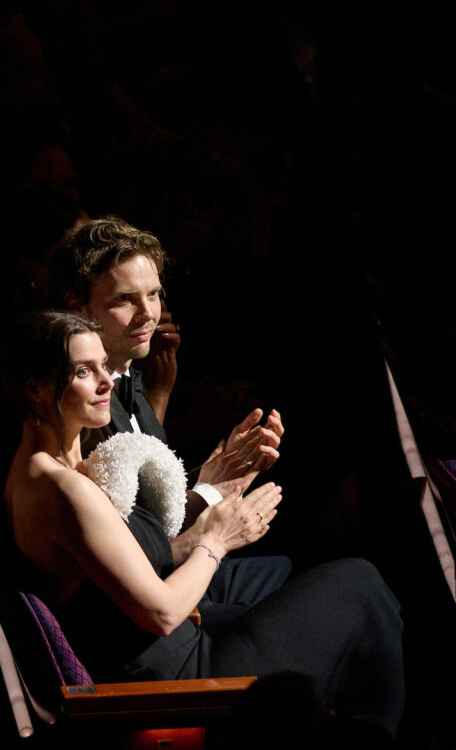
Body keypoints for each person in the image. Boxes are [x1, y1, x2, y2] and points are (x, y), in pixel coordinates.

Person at [0, 310, 404, 733]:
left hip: (181, 651)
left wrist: (212, 490)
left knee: (319, 600)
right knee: (362, 584)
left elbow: (123, 569)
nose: (107, 381)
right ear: (33, 387)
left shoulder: (45, 469)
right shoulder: (62, 489)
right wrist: (217, 540)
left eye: (104, 365)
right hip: (182, 680)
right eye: (84, 370)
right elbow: (162, 613)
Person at [49, 215, 290, 625]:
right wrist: (213, 502)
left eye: (155, 294)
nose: (149, 313)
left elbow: (155, 509)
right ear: (77, 307)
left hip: (177, 576)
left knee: (287, 567)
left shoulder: (132, 376)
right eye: (126, 299)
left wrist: (218, 477)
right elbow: (145, 548)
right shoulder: (85, 407)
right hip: (158, 603)